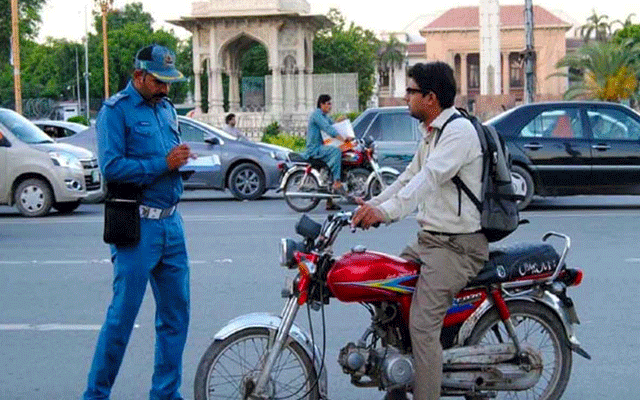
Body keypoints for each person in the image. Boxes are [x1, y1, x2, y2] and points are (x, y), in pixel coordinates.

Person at [351, 62, 489, 400]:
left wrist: (385, 213)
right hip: (429, 241)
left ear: (430, 97)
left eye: (411, 91)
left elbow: (427, 182)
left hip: (458, 247)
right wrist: (370, 205)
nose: (405, 97)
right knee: (388, 300)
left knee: (423, 326)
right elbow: (406, 178)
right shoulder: (433, 133)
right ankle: (398, 384)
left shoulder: (458, 133)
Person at [82, 44, 192, 400]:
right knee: (121, 320)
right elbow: (112, 168)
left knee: (176, 319)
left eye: (168, 82)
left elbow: (169, 159)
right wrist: (164, 164)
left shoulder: (166, 109)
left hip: (172, 225)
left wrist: (180, 165)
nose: (165, 89)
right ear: (139, 76)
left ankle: (165, 395)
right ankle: (95, 395)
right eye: (159, 82)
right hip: (137, 228)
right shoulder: (116, 112)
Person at [304, 94, 349, 211]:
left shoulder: (324, 116)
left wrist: (343, 123)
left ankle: (330, 202)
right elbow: (328, 129)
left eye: (330, 104)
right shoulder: (317, 115)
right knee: (336, 151)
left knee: (338, 160)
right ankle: (337, 182)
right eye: (328, 104)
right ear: (321, 104)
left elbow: (333, 125)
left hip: (321, 147)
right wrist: (342, 138)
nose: (330, 106)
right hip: (315, 149)